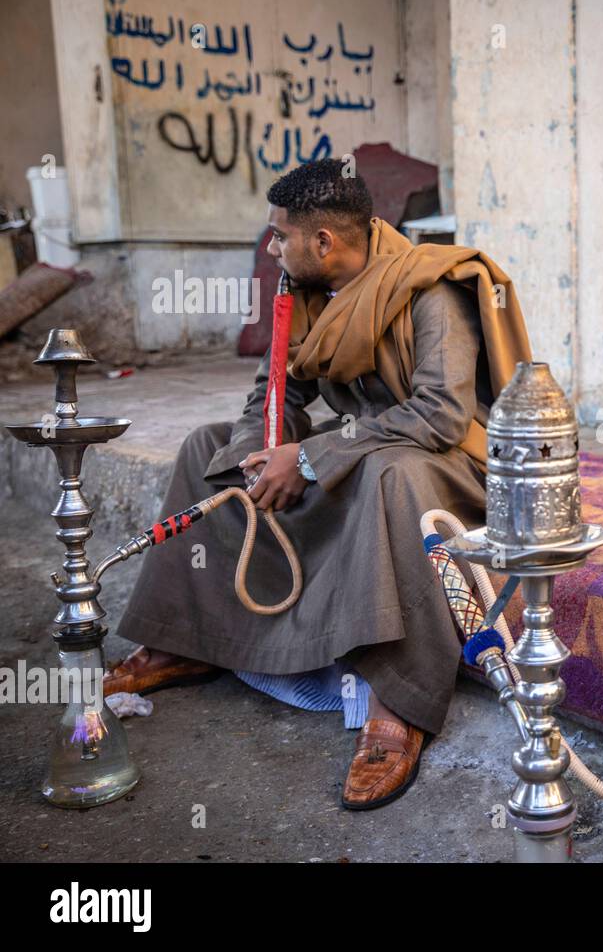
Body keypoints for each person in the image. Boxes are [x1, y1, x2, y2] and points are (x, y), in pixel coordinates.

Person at [107, 159, 531, 809]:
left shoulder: (431, 291)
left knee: (391, 475)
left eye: (280, 236)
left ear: (323, 242)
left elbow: (441, 416)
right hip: (368, 447)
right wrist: (258, 454)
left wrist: (306, 458)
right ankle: (186, 641)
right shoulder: (302, 297)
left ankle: (398, 704)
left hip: (449, 465)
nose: (273, 246)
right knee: (206, 447)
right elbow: (271, 399)